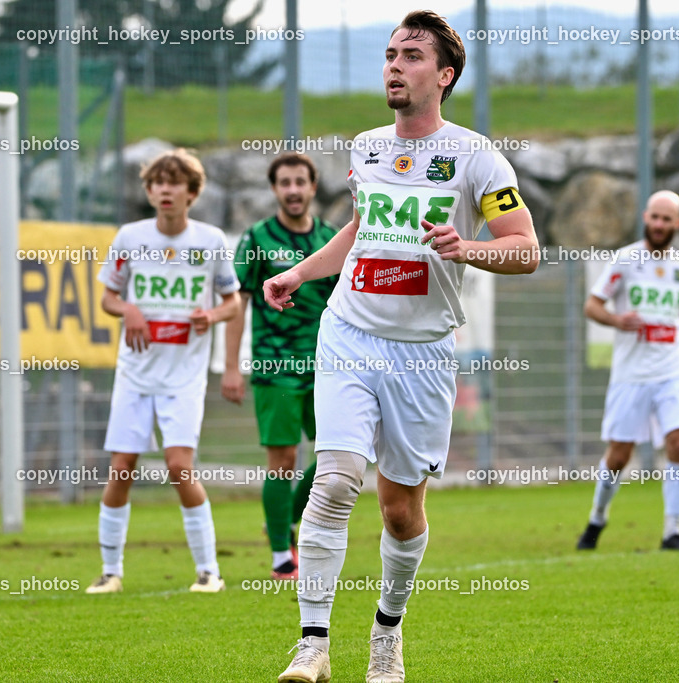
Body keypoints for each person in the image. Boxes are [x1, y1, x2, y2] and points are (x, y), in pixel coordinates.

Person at [265, 11, 538, 683]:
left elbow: (525, 249)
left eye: (410, 55)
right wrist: (300, 272)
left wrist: (464, 246)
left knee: (399, 508)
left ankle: (387, 634)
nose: (393, 65)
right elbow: (360, 230)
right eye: (389, 53)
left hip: (421, 353)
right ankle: (312, 646)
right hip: (349, 334)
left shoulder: (478, 157)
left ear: (442, 75)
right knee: (332, 483)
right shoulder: (366, 147)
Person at [87, 149, 241, 595]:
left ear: (192, 192)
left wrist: (210, 317)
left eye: (175, 182)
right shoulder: (130, 237)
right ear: (149, 191)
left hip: (184, 376)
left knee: (179, 467)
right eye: (157, 182)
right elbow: (108, 298)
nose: (165, 189)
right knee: (121, 469)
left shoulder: (210, 241)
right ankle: (110, 571)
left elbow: (232, 302)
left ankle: (209, 571)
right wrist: (129, 309)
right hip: (136, 373)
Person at [221, 152, 338, 581]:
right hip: (274, 366)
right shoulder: (256, 239)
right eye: (284, 182)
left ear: (313, 186)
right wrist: (231, 367)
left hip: (326, 366)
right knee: (282, 460)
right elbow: (237, 305)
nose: (292, 190)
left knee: (339, 453)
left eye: (299, 182)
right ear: (274, 189)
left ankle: (285, 514)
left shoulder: (331, 239)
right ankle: (280, 556)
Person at [576, 190, 679, 553]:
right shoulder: (625, 261)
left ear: (678, 224)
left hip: (672, 368)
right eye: (655, 217)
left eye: (668, 219)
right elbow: (592, 305)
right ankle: (597, 519)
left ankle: (672, 531)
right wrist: (617, 320)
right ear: (646, 217)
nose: (660, 225)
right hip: (631, 374)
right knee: (619, 455)